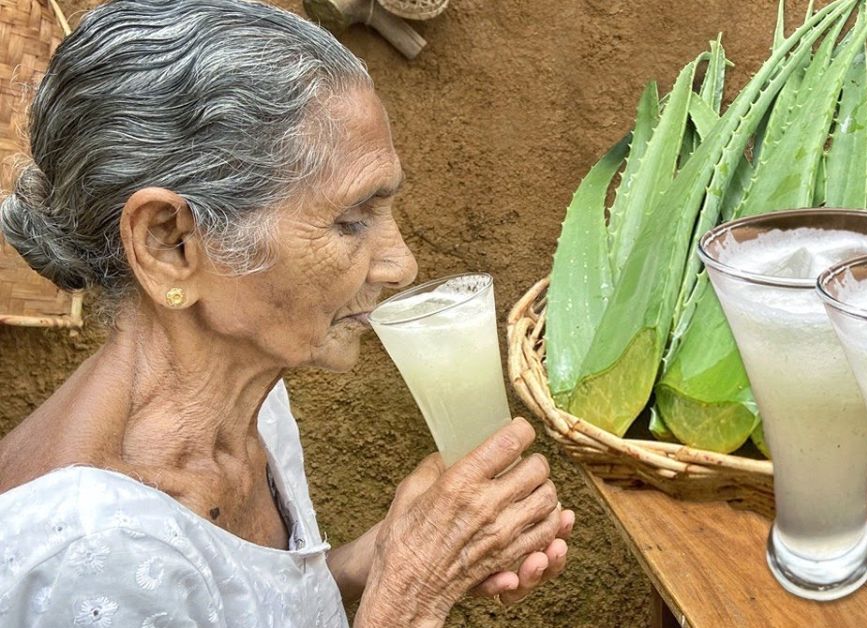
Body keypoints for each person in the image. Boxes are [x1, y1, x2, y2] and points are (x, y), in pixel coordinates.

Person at [0, 0, 573, 626]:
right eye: (351, 220)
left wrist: (377, 555)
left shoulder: (251, 399)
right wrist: (409, 595)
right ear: (170, 243)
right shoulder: (88, 557)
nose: (401, 264)